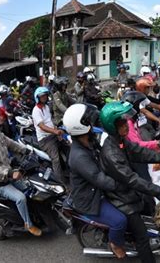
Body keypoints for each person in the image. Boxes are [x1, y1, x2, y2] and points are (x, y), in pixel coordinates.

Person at [99, 101, 160, 263]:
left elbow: (139, 152)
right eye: (121, 123)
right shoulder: (112, 153)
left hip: (127, 190)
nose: (126, 125)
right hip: (121, 198)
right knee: (142, 237)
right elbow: (131, 179)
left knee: (149, 205)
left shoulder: (120, 141)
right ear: (112, 126)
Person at [63, 103, 128, 259]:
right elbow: (98, 179)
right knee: (120, 220)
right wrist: (122, 185)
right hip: (90, 199)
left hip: (96, 190)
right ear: (81, 126)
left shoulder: (88, 140)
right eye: (88, 122)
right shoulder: (79, 156)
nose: (92, 124)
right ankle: (115, 244)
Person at [0, 108, 42, 236]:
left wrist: (27, 150)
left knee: (30, 187)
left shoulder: (0, 135)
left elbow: (13, 144)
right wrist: (9, 173)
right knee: (21, 198)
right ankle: (28, 224)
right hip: (1, 184)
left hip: (11, 176)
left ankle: (34, 214)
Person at [31, 87, 65, 182]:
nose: (45, 97)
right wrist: (55, 132)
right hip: (45, 140)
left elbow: (50, 122)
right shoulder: (36, 110)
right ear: (37, 98)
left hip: (52, 135)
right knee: (56, 159)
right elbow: (42, 126)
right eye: (42, 96)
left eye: (45, 95)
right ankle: (61, 182)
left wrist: (57, 130)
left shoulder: (46, 107)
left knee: (67, 146)